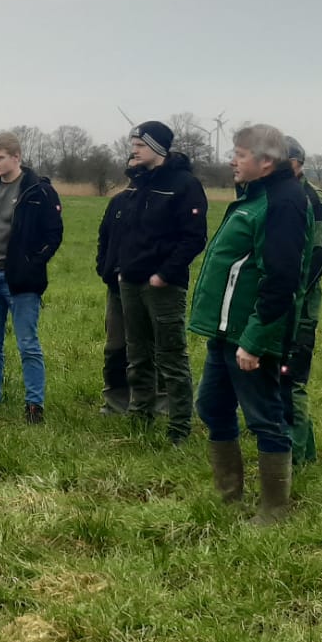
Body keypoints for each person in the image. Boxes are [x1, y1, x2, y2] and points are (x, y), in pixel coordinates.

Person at [189, 124, 313, 526]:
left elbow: (281, 280)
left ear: (266, 161)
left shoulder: (282, 204)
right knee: (211, 406)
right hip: (226, 332)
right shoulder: (255, 197)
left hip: (250, 335)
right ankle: (229, 498)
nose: (232, 160)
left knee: (264, 418)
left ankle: (274, 512)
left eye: (240, 154)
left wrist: (255, 341)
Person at [108, 121, 209, 444]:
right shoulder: (136, 184)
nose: (133, 151)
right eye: (133, 145)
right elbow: (125, 232)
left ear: (158, 148)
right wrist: (122, 269)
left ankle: (179, 426)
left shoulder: (184, 185)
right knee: (137, 353)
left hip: (164, 285)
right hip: (130, 282)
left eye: (139, 145)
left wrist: (164, 274)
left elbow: (194, 238)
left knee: (171, 356)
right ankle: (141, 415)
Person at [0, 131, 63, 422]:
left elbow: (53, 234)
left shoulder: (39, 190)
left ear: (16, 157)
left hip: (21, 282)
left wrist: (33, 263)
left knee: (28, 344)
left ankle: (34, 404)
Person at [283, 137, 322, 466]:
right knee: (281, 380)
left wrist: (292, 296)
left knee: (293, 380)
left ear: (297, 163)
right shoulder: (275, 195)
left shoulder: (314, 200)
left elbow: (317, 257)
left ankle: (297, 457)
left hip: (299, 305)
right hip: (278, 301)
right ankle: (306, 452)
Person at [95, 162, 136, 416]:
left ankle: (150, 403)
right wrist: (104, 267)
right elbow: (104, 236)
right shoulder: (118, 202)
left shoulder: (159, 201)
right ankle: (115, 402)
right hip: (116, 286)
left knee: (148, 347)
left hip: (146, 286)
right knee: (115, 347)